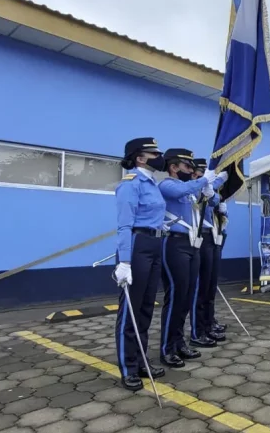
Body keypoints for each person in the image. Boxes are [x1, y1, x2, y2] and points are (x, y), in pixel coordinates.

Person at [114, 137, 168, 391]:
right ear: (140, 158)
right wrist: (124, 261)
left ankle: (142, 360)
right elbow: (125, 225)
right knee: (131, 310)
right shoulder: (131, 184)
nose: (160, 156)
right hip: (137, 247)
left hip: (155, 244)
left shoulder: (152, 183)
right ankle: (128, 367)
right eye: (154, 152)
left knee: (146, 307)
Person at [157, 148, 216, 368]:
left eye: (193, 168)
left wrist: (210, 185)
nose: (192, 171)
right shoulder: (167, 185)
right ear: (173, 167)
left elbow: (211, 200)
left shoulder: (190, 189)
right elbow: (188, 188)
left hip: (193, 245)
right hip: (175, 244)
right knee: (175, 297)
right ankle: (167, 348)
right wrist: (203, 180)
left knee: (187, 297)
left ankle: (179, 342)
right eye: (187, 167)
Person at [190, 158, 228, 348]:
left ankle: (208, 323)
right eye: (201, 172)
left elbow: (214, 200)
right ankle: (198, 330)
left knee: (210, 287)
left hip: (213, 235)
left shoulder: (206, 187)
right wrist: (211, 182)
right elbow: (201, 200)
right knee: (201, 288)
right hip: (200, 237)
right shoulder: (191, 188)